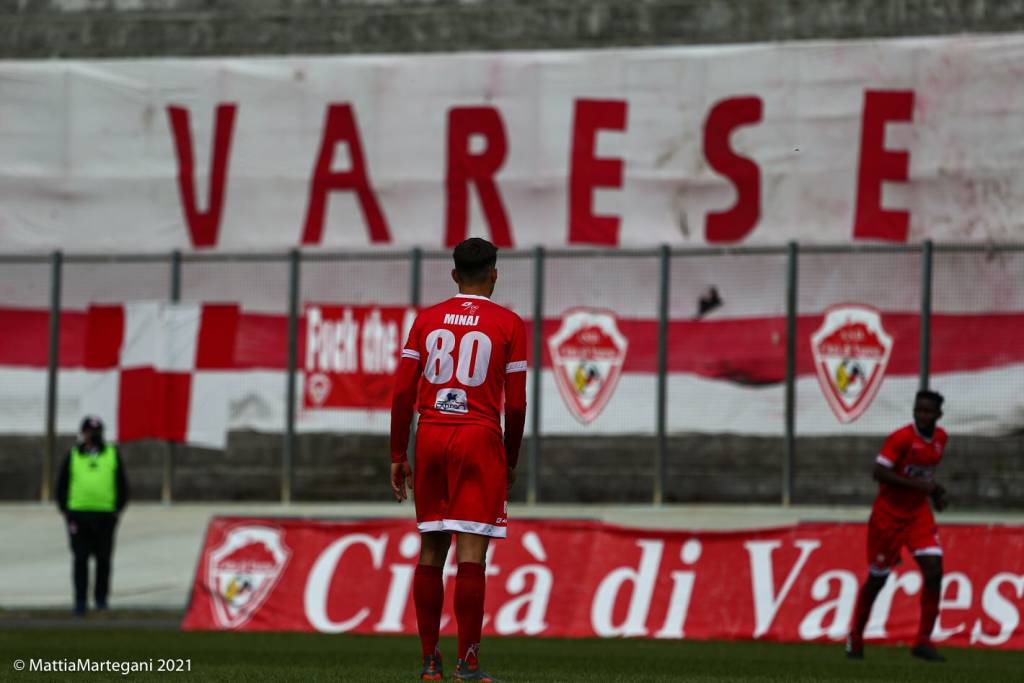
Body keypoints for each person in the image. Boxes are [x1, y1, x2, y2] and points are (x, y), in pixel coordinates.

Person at [390, 237, 528, 682]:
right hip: (479, 436)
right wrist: (510, 457)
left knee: (432, 546)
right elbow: (518, 404)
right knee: (472, 552)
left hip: (429, 435)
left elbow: (400, 393)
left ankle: (430, 662)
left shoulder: (427, 320)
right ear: (493, 274)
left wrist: (398, 453)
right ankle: (467, 663)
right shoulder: (509, 323)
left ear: (454, 275)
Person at [846, 390, 948, 662]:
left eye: (929, 412)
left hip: (917, 515)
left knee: (935, 570)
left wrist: (935, 493)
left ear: (939, 415)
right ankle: (855, 635)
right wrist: (922, 486)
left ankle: (923, 641)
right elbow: (879, 473)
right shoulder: (901, 438)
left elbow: (923, 474)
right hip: (887, 517)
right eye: (919, 410)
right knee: (878, 579)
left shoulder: (940, 439)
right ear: (914, 411)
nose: (923, 416)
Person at [55, 415, 129, 616]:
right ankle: (80, 600)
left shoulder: (111, 454)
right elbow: (62, 483)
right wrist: (65, 509)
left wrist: (117, 509)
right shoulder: (73, 455)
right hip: (78, 514)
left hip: (105, 514)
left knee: (103, 559)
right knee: (80, 558)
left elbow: (121, 483)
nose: (93, 436)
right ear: (83, 434)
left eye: (96, 432)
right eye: (89, 432)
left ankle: (101, 599)